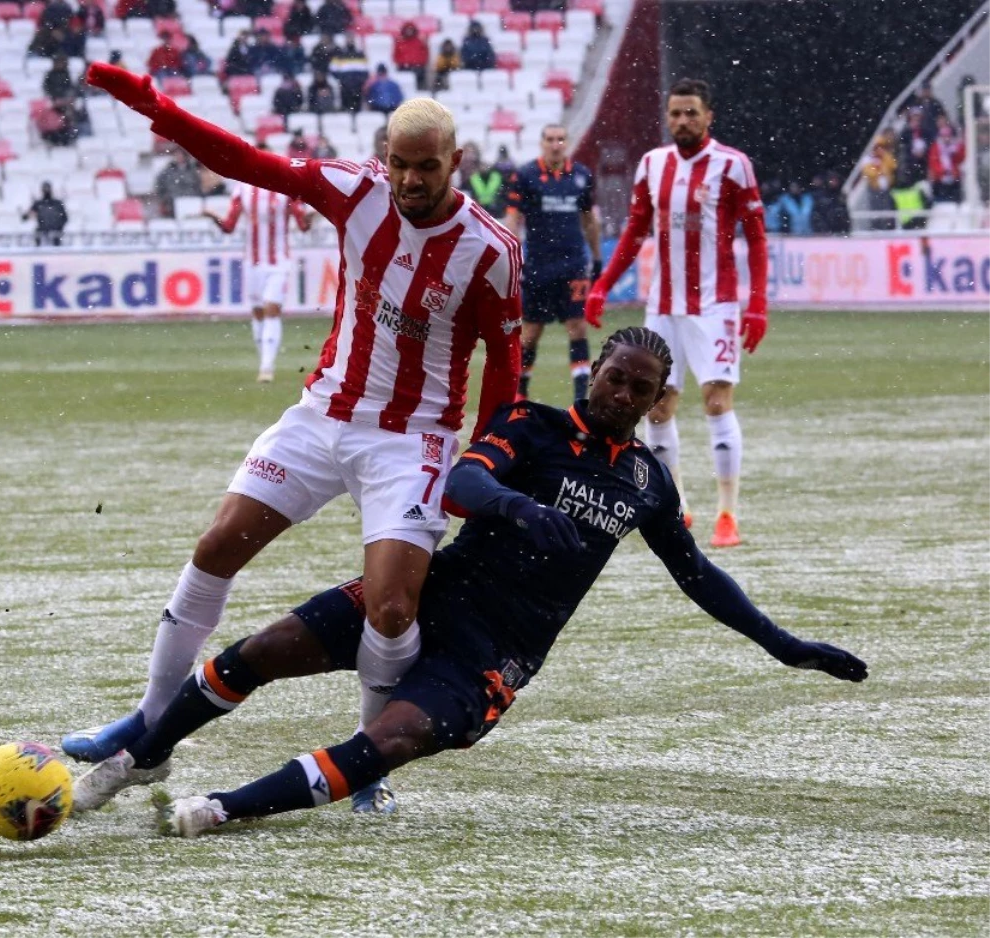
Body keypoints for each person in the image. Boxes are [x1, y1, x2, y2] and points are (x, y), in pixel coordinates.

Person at [69, 327, 869, 832]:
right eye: (612, 378)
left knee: (387, 742)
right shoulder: (533, 424)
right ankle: (139, 756)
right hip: (430, 594)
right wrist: (521, 509)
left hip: (497, 652)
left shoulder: (649, 486)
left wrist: (784, 644)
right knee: (264, 648)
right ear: (594, 375)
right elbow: (463, 484)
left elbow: (698, 576)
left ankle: (218, 812)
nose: (621, 393)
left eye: (638, 387)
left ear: (659, 399)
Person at [62, 64, 522, 815]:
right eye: (400, 163)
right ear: (386, 155)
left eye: (426, 166)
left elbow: (504, 369)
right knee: (216, 547)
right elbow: (247, 161)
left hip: (412, 442)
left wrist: (488, 462)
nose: (410, 179)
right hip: (322, 415)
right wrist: (158, 109)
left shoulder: (490, 250)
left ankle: (366, 760)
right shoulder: (357, 189)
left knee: (393, 611)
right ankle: (148, 724)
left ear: (456, 162)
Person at [584, 78, 769, 550]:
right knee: (657, 405)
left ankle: (728, 513)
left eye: (691, 113)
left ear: (709, 116)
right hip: (662, 305)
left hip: (715, 305)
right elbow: (633, 232)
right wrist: (603, 284)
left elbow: (757, 237)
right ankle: (678, 505)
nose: (682, 121)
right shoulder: (652, 164)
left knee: (715, 401)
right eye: (675, 113)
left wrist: (758, 304)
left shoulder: (733, 166)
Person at [506, 124, 601, 404]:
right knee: (531, 333)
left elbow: (589, 220)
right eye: (550, 139)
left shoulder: (582, 176)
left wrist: (596, 258)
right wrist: (510, 256)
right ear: (541, 143)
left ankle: (581, 398)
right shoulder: (525, 175)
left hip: (572, 265)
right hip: (537, 266)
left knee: (577, 326)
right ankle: (520, 394)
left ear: (567, 142)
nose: (556, 144)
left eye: (560, 139)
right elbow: (513, 219)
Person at [205, 171, 313, 383]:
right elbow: (229, 226)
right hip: (252, 263)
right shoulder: (243, 189)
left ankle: (266, 367)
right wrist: (212, 216)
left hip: (279, 262)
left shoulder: (286, 192)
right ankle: (264, 361)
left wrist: (311, 218)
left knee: (271, 310)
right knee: (257, 313)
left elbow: (302, 225)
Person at [154, 149, 204, 217]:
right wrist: (165, 197)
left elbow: (198, 185)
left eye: (180, 155)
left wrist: (196, 196)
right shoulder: (168, 170)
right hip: (172, 202)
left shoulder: (192, 170)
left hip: (190, 200)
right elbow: (160, 184)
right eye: (177, 155)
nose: (179, 157)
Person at [22, 180, 69, 245]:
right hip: (42, 230)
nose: (46, 191)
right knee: (38, 237)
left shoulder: (57, 203)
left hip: (55, 231)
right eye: (45, 189)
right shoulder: (38, 203)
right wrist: (26, 216)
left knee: (56, 244)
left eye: (47, 189)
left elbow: (65, 218)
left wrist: (59, 227)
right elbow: (26, 216)